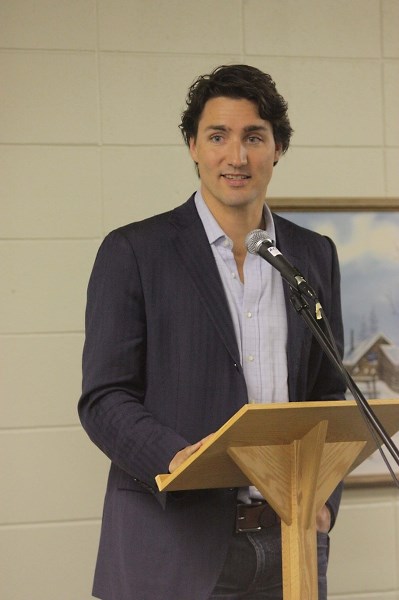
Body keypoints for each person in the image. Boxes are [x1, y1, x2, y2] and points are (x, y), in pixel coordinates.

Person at [79, 64, 346, 600]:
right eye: (218, 136)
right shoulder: (133, 251)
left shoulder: (313, 254)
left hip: (290, 541)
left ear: (277, 149)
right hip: (173, 542)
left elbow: (326, 389)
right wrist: (177, 458)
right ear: (193, 147)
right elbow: (104, 398)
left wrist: (323, 494)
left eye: (254, 137)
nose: (237, 156)